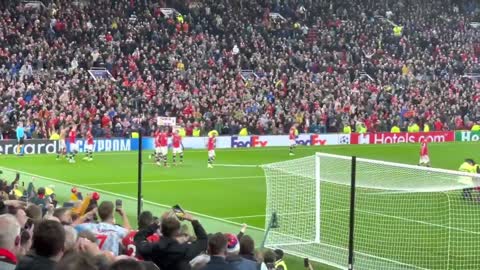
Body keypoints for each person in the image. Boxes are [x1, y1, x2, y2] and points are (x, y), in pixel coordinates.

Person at [134, 212, 207, 270]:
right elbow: (203, 240)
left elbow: (138, 237)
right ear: (178, 232)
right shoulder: (185, 250)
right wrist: (193, 220)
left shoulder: (152, 247)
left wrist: (158, 222)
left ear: (161, 230)